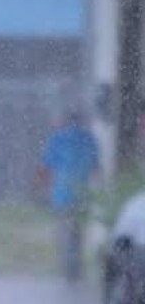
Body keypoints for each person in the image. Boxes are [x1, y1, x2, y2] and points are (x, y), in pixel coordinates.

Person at [39, 110, 100, 282]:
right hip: (82, 194)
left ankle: (68, 267)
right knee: (78, 232)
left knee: (64, 231)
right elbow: (96, 168)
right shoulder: (89, 139)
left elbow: (46, 167)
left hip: (62, 194)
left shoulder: (58, 139)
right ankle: (75, 266)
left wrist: (44, 189)